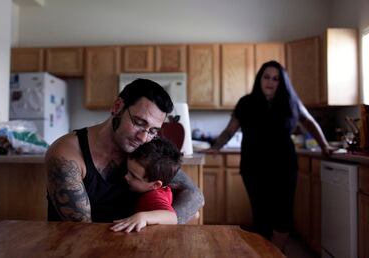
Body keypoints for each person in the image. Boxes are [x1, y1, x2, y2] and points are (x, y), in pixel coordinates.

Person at [206, 61, 336, 250]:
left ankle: (273, 253)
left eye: (276, 78)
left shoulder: (292, 102)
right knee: (261, 217)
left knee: (283, 217)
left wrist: (324, 146)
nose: (270, 81)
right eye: (266, 77)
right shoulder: (246, 103)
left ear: (281, 82)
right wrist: (216, 147)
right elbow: (229, 130)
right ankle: (266, 252)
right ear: (260, 79)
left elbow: (310, 123)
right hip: (253, 167)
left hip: (284, 166)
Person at [46, 78, 204, 224]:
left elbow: (196, 196)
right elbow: (82, 231)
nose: (143, 137)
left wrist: (159, 220)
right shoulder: (67, 154)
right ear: (117, 107)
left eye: (153, 130)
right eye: (139, 122)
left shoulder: (146, 149)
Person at [110, 137, 182, 233]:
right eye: (127, 170)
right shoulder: (150, 188)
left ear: (156, 185)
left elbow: (172, 217)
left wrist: (143, 217)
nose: (126, 176)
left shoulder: (152, 196)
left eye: (134, 176)